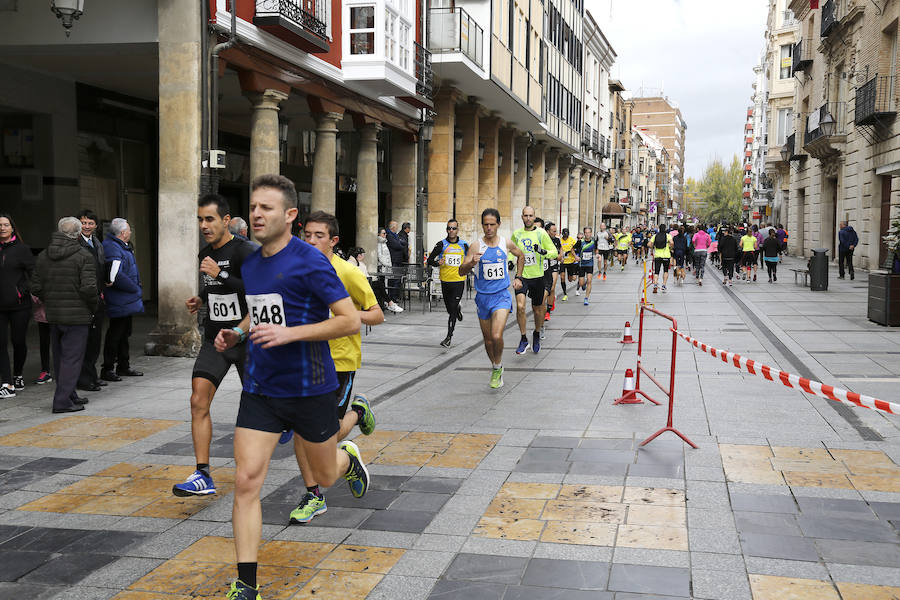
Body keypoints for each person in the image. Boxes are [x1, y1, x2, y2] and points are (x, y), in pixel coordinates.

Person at [213, 175, 367, 600]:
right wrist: (238, 334)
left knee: (324, 476)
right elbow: (257, 312)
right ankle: (246, 583)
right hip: (262, 388)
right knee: (246, 480)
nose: (257, 214)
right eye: (254, 207)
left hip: (309, 387)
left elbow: (349, 320)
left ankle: (346, 457)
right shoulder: (251, 262)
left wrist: (290, 335)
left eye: (267, 208)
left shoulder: (310, 261)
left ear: (290, 215)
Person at [287, 211, 382, 525]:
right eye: (308, 235)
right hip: (303, 359)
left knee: (323, 438)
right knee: (303, 433)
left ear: (333, 241)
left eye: (319, 236)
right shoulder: (296, 270)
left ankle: (356, 413)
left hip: (339, 362)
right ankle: (314, 495)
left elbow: (376, 314)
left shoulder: (347, 272)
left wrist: (343, 319)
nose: (312, 241)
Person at [172, 195, 257, 498]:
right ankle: (202, 473)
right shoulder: (205, 253)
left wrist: (218, 274)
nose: (204, 226)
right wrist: (202, 299)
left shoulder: (246, 251)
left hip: (248, 340)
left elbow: (257, 291)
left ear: (225, 220)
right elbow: (217, 290)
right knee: (198, 400)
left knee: (265, 405)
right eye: (200, 219)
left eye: (209, 219)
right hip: (215, 339)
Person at [31, 217, 98, 413]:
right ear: (78, 234)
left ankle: (69, 395)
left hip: (53, 314)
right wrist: (93, 307)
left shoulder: (43, 255)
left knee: (61, 357)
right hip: (77, 316)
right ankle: (62, 401)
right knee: (72, 359)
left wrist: (50, 299)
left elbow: (35, 286)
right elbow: (89, 288)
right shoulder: (83, 256)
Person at [458, 208, 524, 389]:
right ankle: (496, 367)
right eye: (485, 225)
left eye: (492, 224)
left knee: (496, 335)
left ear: (498, 225)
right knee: (487, 340)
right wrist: (471, 263)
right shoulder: (476, 246)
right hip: (483, 298)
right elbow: (461, 271)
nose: (488, 228)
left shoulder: (505, 243)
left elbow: (521, 256)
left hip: (502, 295)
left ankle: (498, 363)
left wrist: (518, 277)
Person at [100, 218, 143, 381]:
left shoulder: (120, 246)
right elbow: (114, 274)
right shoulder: (112, 247)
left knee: (124, 333)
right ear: (123, 233)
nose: (131, 232)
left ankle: (123, 366)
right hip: (120, 298)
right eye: (129, 230)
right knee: (116, 333)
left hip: (126, 298)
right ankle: (108, 368)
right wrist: (135, 288)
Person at [511, 206, 558, 355]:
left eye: (531, 215)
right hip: (522, 276)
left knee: (538, 310)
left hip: (538, 276)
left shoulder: (541, 233)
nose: (528, 218)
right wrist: (511, 261)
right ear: (522, 217)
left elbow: (554, 252)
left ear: (534, 216)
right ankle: (524, 338)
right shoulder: (517, 234)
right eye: (525, 215)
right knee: (520, 306)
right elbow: (512, 252)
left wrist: (543, 252)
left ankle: (536, 333)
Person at [0, 213, 34, 398]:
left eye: (6, 225)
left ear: (12, 228)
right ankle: (7, 383)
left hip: (19, 305)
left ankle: (17, 374)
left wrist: (22, 290)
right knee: (0, 344)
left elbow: (34, 273)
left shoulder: (22, 249)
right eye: (0, 225)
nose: (2, 228)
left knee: (18, 342)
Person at [76, 210, 107, 392]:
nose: (86, 226)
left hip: (98, 296)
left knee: (95, 340)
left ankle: (91, 375)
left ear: (96, 225)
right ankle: (84, 378)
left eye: (90, 223)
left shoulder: (97, 243)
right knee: (84, 341)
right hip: (84, 298)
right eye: (83, 223)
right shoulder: (76, 243)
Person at [427, 219, 468, 347]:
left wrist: (468, 266)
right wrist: (437, 263)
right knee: (450, 309)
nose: (451, 231)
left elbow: (471, 259)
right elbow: (429, 260)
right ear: (446, 230)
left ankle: (449, 337)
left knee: (452, 311)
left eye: (454, 228)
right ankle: (457, 309)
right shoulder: (441, 244)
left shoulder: (464, 245)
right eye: (449, 228)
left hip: (459, 281)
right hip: (445, 281)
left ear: (457, 230)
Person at [543, 222, 562, 323]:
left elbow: (559, 255)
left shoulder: (557, 240)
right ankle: (545, 303)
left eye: (556, 231)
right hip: (544, 266)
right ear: (547, 231)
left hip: (554, 265)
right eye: (553, 231)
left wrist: (557, 256)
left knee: (552, 287)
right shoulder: (542, 240)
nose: (555, 233)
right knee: (544, 289)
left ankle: (548, 311)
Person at [385, 221, 407, 306]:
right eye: (396, 226)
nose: (397, 228)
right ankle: (392, 297)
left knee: (397, 279)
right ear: (393, 227)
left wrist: (400, 244)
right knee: (393, 280)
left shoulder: (395, 235)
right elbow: (397, 245)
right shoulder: (390, 235)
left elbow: (402, 242)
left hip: (398, 260)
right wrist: (401, 245)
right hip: (394, 260)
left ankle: (394, 297)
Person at [575, 227, 597, 305]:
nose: (587, 234)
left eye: (589, 232)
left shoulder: (594, 242)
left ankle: (586, 298)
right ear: (584, 234)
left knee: (589, 280)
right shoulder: (580, 242)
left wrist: (597, 254)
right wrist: (576, 256)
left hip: (590, 264)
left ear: (591, 233)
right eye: (586, 233)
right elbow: (572, 249)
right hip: (581, 264)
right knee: (581, 283)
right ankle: (582, 285)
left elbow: (596, 249)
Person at [650, 227, 673, 293]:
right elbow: (672, 243)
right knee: (665, 271)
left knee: (657, 271)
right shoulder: (668, 236)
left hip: (657, 256)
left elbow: (649, 244)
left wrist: (653, 248)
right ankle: (664, 285)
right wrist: (670, 248)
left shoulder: (655, 236)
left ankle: (655, 284)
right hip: (666, 256)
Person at [559, 228, 577, 300]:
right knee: (562, 277)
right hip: (563, 262)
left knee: (570, 279)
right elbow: (559, 249)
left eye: (567, 235)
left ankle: (575, 276)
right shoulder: (560, 240)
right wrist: (561, 257)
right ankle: (565, 293)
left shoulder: (572, 240)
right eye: (564, 235)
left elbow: (575, 249)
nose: (565, 237)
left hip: (570, 262)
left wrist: (575, 256)